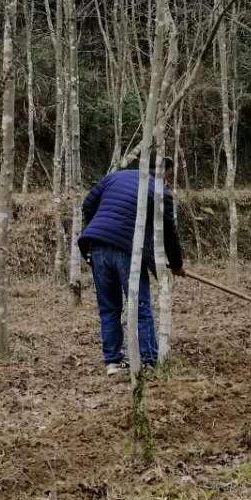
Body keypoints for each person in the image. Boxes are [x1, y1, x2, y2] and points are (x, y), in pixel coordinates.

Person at [78, 158, 183, 375]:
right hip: (127, 250)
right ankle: (148, 360)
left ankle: (113, 362)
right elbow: (169, 232)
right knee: (140, 305)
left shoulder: (116, 176)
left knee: (109, 307)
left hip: (96, 245)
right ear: (166, 173)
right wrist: (177, 264)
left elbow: (88, 204)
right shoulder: (160, 190)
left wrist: (97, 227)